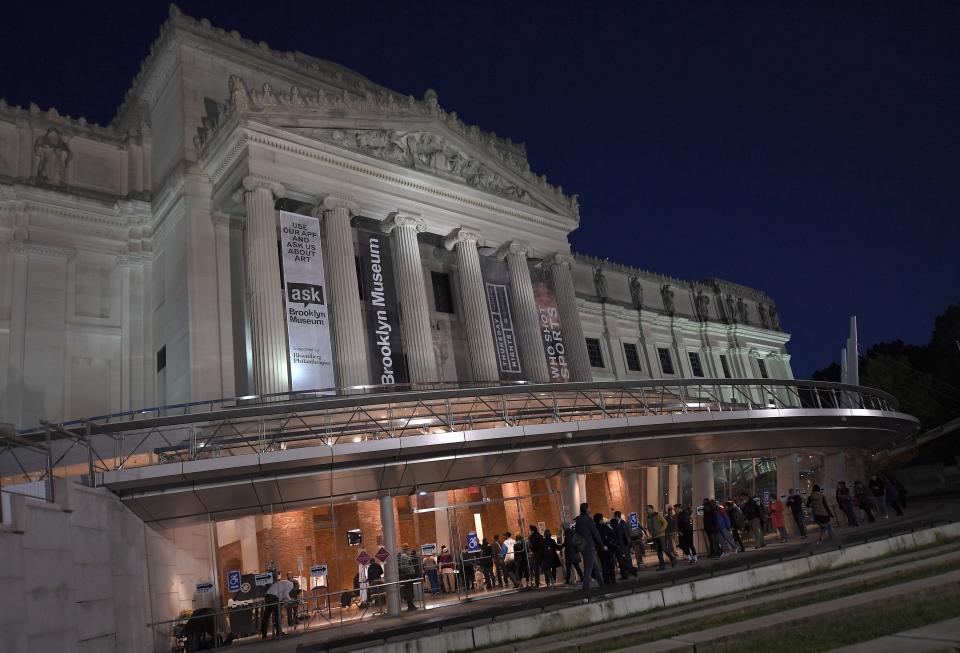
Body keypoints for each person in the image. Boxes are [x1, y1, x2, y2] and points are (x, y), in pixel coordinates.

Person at [574, 502, 606, 590]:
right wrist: (601, 544)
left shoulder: (578, 520)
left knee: (595, 569)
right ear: (587, 509)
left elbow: (577, 535)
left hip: (583, 548)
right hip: (589, 547)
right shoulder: (588, 519)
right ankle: (585, 593)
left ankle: (603, 588)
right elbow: (595, 532)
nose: (590, 509)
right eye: (589, 508)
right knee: (588, 572)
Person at [645, 505, 676, 570]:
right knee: (658, 551)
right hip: (654, 536)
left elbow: (665, 523)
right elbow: (648, 526)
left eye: (648, 509)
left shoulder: (657, 515)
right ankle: (662, 565)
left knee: (664, 549)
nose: (646, 511)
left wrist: (661, 530)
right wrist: (650, 532)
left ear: (651, 509)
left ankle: (672, 559)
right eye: (646, 509)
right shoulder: (648, 518)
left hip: (661, 535)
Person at [611, 511, 638, 579]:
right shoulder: (618, 524)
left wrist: (628, 545)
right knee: (623, 560)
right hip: (622, 545)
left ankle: (630, 572)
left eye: (614, 516)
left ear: (616, 516)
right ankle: (626, 574)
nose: (614, 517)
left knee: (625, 559)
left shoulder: (622, 524)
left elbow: (626, 535)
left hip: (624, 545)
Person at [594, 513, 619, 585]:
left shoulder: (595, 528)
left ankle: (606, 583)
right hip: (609, 549)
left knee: (604, 567)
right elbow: (613, 535)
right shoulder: (605, 526)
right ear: (601, 519)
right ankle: (613, 582)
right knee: (611, 566)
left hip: (600, 550)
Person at [398, 545, 418, 611]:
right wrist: (409, 572)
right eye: (408, 549)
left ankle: (411, 605)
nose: (409, 551)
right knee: (409, 591)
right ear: (405, 550)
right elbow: (404, 567)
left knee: (410, 591)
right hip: (408, 576)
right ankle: (410, 606)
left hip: (408, 575)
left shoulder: (404, 556)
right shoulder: (404, 556)